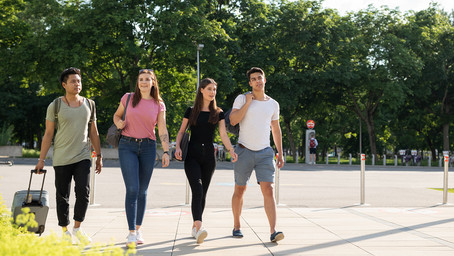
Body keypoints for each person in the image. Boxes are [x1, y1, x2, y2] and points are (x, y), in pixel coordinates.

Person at [35, 67, 102, 243]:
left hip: (83, 156)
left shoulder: (90, 104)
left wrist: (99, 155)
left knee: (83, 191)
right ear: (64, 84)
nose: (77, 84)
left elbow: (93, 132)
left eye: (79, 81)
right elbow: (48, 134)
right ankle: (65, 231)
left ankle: (77, 227)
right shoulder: (55, 105)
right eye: (73, 81)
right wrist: (41, 160)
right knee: (62, 195)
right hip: (62, 157)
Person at [175, 78, 238, 244]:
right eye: (209, 89)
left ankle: (195, 228)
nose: (212, 92)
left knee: (203, 194)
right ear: (201, 90)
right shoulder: (191, 111)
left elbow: (223, 134)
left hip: (209, 157)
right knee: (197, 190)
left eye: (214, 89)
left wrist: (231, 150)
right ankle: (199, 226)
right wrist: (177, 148)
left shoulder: (218, 112)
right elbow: (181, 132)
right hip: (192, 157)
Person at [113, 69, 170, 247]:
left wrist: (166, 151)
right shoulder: (128, 98)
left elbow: (162, 129)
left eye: (148, 79)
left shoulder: (158, 104)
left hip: (148, 147)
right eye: (141, 79)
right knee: (132, 188)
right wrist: (118, 122)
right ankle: (131, 232)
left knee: (142, 190)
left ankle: (138, 229)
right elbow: (116, 115)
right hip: (127, 146)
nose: (144, 82)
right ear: (137, 82)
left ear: (153, 82)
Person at [229, 67, 285, 243]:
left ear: (265, 80)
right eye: (253, 79)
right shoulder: (241, 98)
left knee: (268, 190)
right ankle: (237, 226)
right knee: (240, 189)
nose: (257, 81)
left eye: (260, 78)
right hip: (244, 150)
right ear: (250, 83)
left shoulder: (273, 104)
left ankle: (273, 230)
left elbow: (275, 129)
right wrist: (247, 103)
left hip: (265, 152)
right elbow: (233, 120)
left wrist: (280, 153)